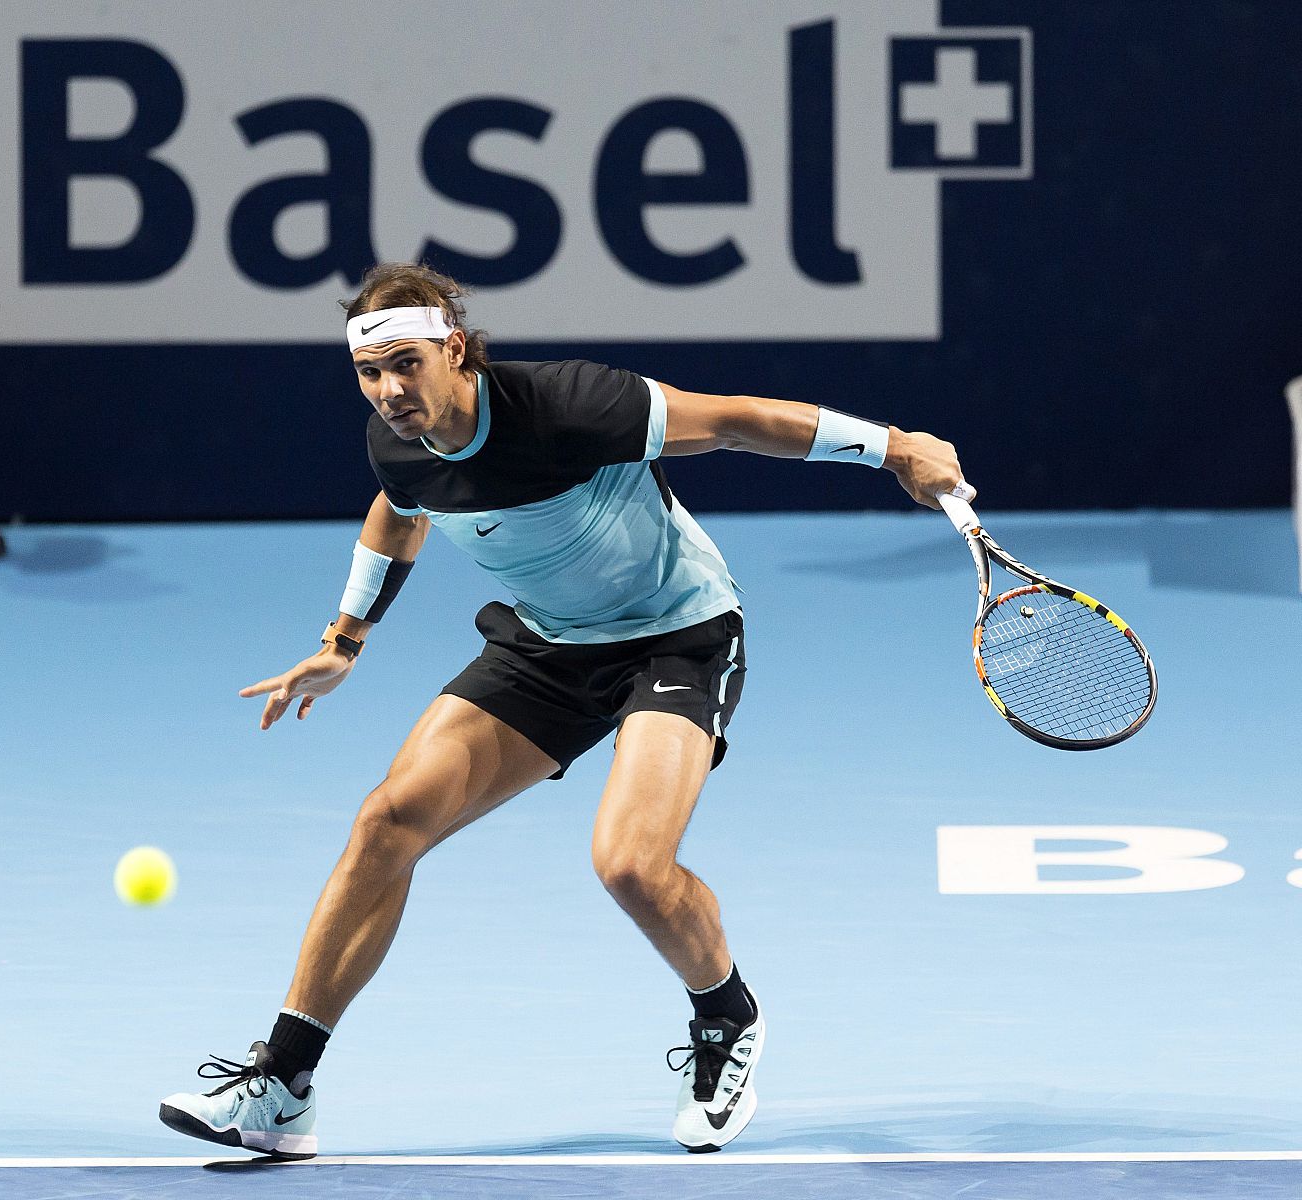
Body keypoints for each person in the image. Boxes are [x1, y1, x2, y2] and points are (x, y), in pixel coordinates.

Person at [159, 262, 970, 1158]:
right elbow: (399, 511)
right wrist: (345, 638)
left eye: (407, 365)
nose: (389, 390)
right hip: (544, 648)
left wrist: (894, 446)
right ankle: (285, 1085)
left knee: (630, 865)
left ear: (454, 349)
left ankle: (727, 1016)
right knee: (387, 821)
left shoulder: (573, 405)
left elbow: (736, 420)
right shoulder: (398, 441)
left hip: (677, 635)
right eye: (370, 372)